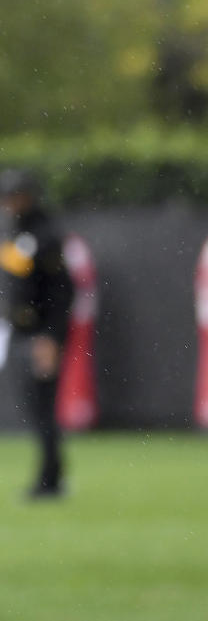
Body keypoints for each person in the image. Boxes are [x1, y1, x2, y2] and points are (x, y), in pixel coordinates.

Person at [0, 168, 74, 500]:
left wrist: (51, 337)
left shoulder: (45, 235)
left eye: (12, 196)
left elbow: (62, 291)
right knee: (33, 408)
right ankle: (49, 477)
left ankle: (51, 480)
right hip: (17, 331)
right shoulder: (15, 234)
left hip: (39, 334)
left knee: (43, 408)